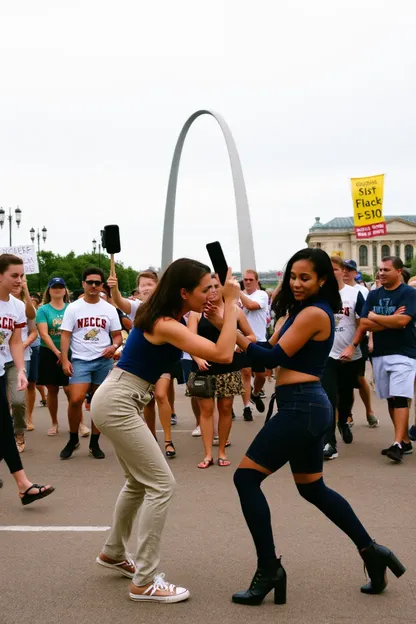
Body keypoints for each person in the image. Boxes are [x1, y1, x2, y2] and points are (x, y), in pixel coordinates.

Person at [230, 248, 405, 605]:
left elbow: (271, 358)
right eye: (292, 276)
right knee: (313, 489)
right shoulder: (300, 312)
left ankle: (269, 569)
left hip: (301, 408)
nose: (296, 283)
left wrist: (231, 324)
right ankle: (373, 552)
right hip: (305, 406)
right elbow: (262, 352)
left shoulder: (313, 313)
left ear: (323, 279)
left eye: (305, 277)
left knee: (246, 478)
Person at [91, 258, 240, 604]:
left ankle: (113, 552)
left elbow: (210, 333)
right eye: (206, 289)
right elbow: (222, 354)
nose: (212, 294)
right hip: (120, 400)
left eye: (214, 288)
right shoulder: (165, 323)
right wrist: (231, 304)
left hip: (117, 396)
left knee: (137, 482)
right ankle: (144, 580)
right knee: (161, 484)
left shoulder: (169, 315)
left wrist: (218, 306)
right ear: (184, 292)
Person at [0, 253, 54, 505]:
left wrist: (21, 370)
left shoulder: (16, 306)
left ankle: (24, 486)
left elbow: (14, 341)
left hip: (1, 371)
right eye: (14, 275)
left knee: (3, 427)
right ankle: (24, 485)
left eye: (22, 276)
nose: (20, 280)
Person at [187, 274, 255, 468]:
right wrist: (198, 358)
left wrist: (236, 345)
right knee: (206, 411)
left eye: (217, 286)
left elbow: (251, 336)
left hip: (228, 366)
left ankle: (222, 451)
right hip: (203, 367)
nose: (213, 290)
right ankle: (208, 454)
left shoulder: (234, 310)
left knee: (225, 408)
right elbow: (189, 339)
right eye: (209, 287)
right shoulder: (196, 312)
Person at [59, 268, 122, 460]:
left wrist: (114, 346)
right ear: (83, 284)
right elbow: (65, 334)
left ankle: (95, 442)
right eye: (89, 282)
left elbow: (117, 335)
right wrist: (65, 359)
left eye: (97, 282)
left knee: (97, 403)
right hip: (80, 360)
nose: (93, 286)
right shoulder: (74, 308)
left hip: (103, 360)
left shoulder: (109, 309)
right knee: (76, 399)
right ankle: (73, 438)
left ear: (102, 285)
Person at [360, 256, 416, 462]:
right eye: (380, 270)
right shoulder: (374, 294)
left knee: (400, 396)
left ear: (399, 272)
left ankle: (397, 444)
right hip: (380, 354)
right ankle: (404, 441)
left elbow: (404, 320)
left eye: (386, 270)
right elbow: (364, 323)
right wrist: (390, 321)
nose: (381, 273)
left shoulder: (409, 293)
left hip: (404, 352)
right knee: (392, 398)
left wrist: (377, 317)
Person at [343, 260, 377, 428]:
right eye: (344, 269)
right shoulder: (336, 291)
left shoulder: (361, 291)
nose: (346, 273)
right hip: (340, 341)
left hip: (358, 340)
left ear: (355, 272)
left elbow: (366, 319)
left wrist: (370, 338)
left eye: (349, 270)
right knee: (344, 380)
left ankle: (369, 410)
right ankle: (347, 414)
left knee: (358, 377)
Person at [239, 270, 270, 420]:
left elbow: (251, 306)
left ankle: (255, 393)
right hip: (242, 340)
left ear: (257, 281)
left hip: (259, 339)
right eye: (245, 279)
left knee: (261, 375)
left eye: (251, 279)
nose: (248, 282)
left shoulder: (261, 295)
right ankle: (246, 408)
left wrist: (237, 293)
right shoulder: (237, 296)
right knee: (245, 372)